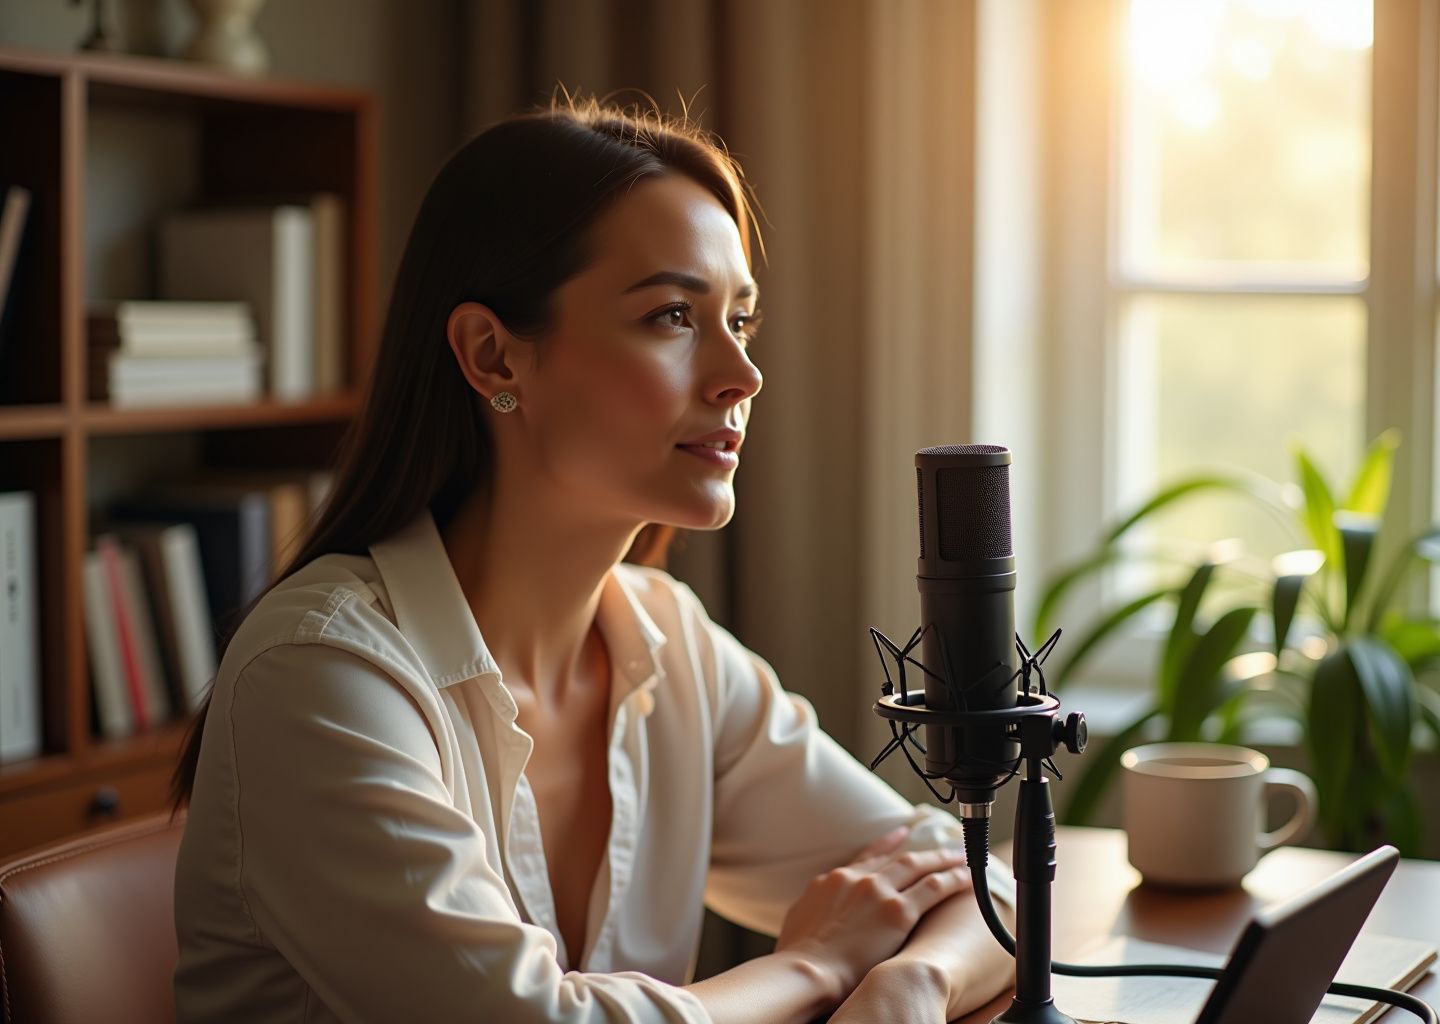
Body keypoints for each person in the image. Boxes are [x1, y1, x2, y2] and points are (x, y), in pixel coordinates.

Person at [170, 91, 1016, 1023]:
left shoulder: (666, 642)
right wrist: (818, 965)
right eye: (671, 316)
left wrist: (910, 983)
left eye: (739, 321)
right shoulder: (321, 675)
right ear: (494, 357)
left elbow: (969, 882)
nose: (742, 376)